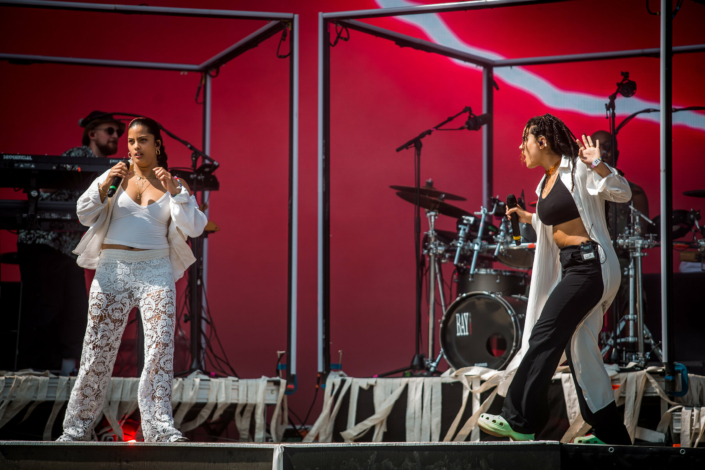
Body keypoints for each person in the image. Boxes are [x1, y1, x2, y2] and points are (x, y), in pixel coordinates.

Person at [477, 114, 633, 445]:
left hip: (591, 265)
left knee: (545, 334)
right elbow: (557, 224)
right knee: (581, 351)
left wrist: (599, 164)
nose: (521, 147)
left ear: (542, 141)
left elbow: (622, 193)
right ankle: (610, 434)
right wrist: (527, 217)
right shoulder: (544, 182)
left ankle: (520, 420)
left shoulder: (577, 167)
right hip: (572, 267)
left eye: (525, 140)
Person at [57, 117, 207, 443]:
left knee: (159, 349)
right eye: (131, 142)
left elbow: (195, 226)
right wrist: (103, 183)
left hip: (155, 269)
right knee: (96, 350)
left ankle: (159, 428)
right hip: (113, 267)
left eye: (142, 141)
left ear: (157, 145)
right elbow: (84, 213)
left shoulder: (174, 183)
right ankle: (76, 429)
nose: (135, 147)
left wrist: (176, 194)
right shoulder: (115, 177)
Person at [16, 111, 125, 375]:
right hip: (44, 242)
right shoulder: (82, 156)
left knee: (75, 311)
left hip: (68, 249)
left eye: (117, 133)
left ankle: (64, 371)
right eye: (109, 131)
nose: (115, 137)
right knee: (48, 307)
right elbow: (44, 187)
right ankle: (35, 369)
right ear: (92, 134)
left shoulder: (112, 171)